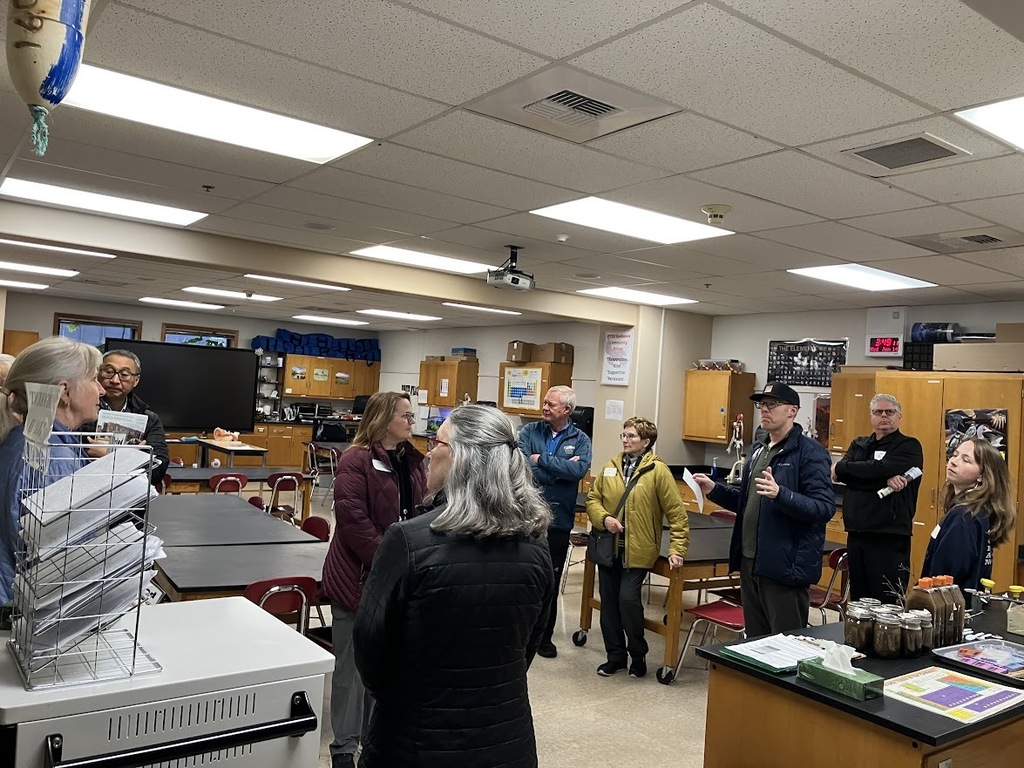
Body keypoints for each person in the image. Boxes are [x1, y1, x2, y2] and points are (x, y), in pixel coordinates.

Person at [354, 405, 554, 768]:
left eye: (437, 442)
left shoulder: (408, 542)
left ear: (462, 458)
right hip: (507, 742)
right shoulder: (536, 545)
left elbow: (371, 648)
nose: (429, 451)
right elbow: (528, 645)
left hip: (415, 740)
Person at [320, 391, 427, 768]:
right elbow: (353, 522)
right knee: (350, 669)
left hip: (396, 576)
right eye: (406, 416)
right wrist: (390, 560)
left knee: (382, 666)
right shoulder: (356, 460)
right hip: (358, 577)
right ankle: (344, 749)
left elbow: (418, 512)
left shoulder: (412, 461)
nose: (412, 423)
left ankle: (372, 740)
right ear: (383, 419)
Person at [694, 382, 835, 637]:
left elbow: (824, 509)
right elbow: (747, 501)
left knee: (785, 644)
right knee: (756, 642)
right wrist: (713, 489)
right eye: (762, 405)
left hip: (785, 565)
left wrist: (782, 494)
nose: (764, 410)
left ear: (792, 411)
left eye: (773, 404)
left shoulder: (810, 453)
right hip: (751, 561)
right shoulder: (759, 450)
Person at [1, 337, 104, 605]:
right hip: (28, 609)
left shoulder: (22, 438)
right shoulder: (54, 458)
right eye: (94, 379)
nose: (101, 390)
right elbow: (59, 558)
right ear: (64, 392)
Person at [586, 417, 689, 678]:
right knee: (609, 604)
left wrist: (677, 548)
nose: (625, 440)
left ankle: (638, 654)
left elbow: (677, 514)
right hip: (609, 548)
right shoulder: (610, 466)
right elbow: (593, 499)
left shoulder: (658, 471)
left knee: (628, 601)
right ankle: (615, 657)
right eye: (624, 435)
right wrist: (604, 519)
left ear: (646, 442)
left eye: (631, 436)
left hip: (639, 550)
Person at [518, 385, 592, 658]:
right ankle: (521, 635)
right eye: (545, 403)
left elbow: (578, 470)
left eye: (551, 404)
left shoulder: (581, 439)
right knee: (523, 580)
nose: (545, 407)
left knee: (550, 580)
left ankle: (543, 637)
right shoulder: (529, 432)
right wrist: (558, 467)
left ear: (567, 410)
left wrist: (543, 460)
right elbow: (523, 466)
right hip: (525, 518)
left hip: (558, 521)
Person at [833, 394, 923, 601]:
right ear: (871, 416)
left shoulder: (909, 446)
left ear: (899, 416)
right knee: (858, 601)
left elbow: (876, 468)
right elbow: (839, 472)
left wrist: (854, 472)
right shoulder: (860, 444)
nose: (884, 416)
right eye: (878, 412)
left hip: (889, 536)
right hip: (857, 533)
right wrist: (882, 479)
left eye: (889, 412)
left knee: (887, 601)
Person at [922, 438, 1015, 601]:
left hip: (948, 610)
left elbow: (945, 576)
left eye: (966, 460)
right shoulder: (979, 511)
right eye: (955, 455)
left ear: (982, 475)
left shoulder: (964, 516)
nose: (954, 462)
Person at [81, 349, 170, 487]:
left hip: (131, 499)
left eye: (124, 374)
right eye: (109, 372)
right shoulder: (82, 410)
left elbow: (159, 469)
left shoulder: (149, 419)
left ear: (136, 380)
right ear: (98, 373)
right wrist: (132, 459)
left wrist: (112, 458)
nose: (115, 380)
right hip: (85, 494)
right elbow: (68, 460)